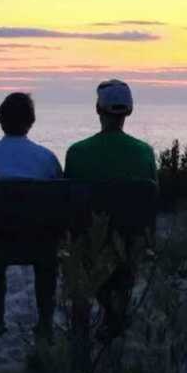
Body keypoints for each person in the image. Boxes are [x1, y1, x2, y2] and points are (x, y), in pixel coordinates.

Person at [64, 79, 157, 339]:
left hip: (89, 239)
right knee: (122, 246)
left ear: (98, 109)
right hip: (129, 238)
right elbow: (150, 199)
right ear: (129, 111)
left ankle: (90, 323)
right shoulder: (144, 152)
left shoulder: (77, 152)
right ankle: (116, 314)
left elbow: (69, 202)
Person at [0, 92, 62, 337]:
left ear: (0, 120)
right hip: (39, 241)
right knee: (47, 261)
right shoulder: (46, 158)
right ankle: (45, 321)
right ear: (31, 121)